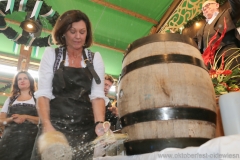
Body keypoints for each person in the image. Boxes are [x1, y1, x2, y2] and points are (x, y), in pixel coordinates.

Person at [30, 10, 107, 160]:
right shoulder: (52, 55)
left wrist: (99, 124)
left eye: (82, 32)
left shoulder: (95, 58)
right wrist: (47, 126)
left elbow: (97, 96)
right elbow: (43, 95)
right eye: (73, 31)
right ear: (63, 32)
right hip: (54, 126)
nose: (78, 36)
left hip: (84, 129)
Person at [0, 71, 39, 160]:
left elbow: (43, 120)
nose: (22, 81)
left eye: (25, 78)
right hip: (9, 140)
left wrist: (25, 116)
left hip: (30, 142)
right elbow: (1, 121)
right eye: (19, 79)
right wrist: (12, 119)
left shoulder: (38, 99)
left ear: (30, 81)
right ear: (17, 83)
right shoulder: (10, 100)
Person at [196, 0, 240, 68]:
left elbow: (237, 6)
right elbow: (189, 42)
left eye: (207, 5)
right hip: (210, 65)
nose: (204, 8)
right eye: (203, 8)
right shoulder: (200, 31)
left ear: (217, 5)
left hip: (230, 56)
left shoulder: (226, 14)